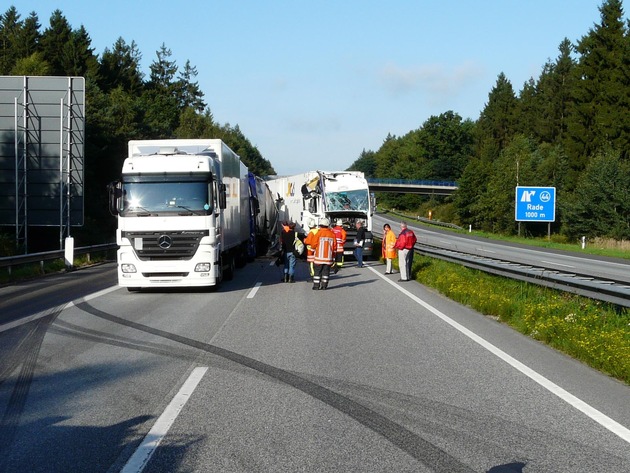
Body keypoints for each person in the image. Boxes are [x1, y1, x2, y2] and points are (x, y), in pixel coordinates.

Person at [308, 217, 336, 290]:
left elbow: (313, 244)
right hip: (328, 258)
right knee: (326, 272)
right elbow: (334, 247)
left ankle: (316, 286)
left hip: (318, 258)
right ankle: (324, 286)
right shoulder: (332, 234)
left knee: (317, 272)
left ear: (320, 225)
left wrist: (311, 251)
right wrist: (333, 257)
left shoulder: (318, 233)